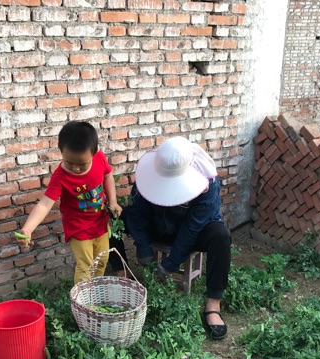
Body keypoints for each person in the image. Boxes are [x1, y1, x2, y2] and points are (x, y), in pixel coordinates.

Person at [109, 136, 231, 340]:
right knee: (109, 220)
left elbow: (192, 228)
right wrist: (143, 246)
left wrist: (171, 263)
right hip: (158, 223)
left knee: (221, 236)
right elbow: (138, 212)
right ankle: (124, 278)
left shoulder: (206, 179)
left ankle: (213, 304)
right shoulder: (151, 168)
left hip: (192, 229)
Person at [16, 121, 120, 284]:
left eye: (81, 164)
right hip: (78, 226)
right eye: (70, 162)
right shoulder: (60, 177)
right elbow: (44, 204)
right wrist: (28, 228)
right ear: (61, 151)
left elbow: (108, 176)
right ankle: (83, 303)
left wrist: (113, 201)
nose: (75, 168)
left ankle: (95, 293)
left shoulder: (99, 159)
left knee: (102, 260)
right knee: (86, 266)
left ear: (94, 152)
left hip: (100, 222)